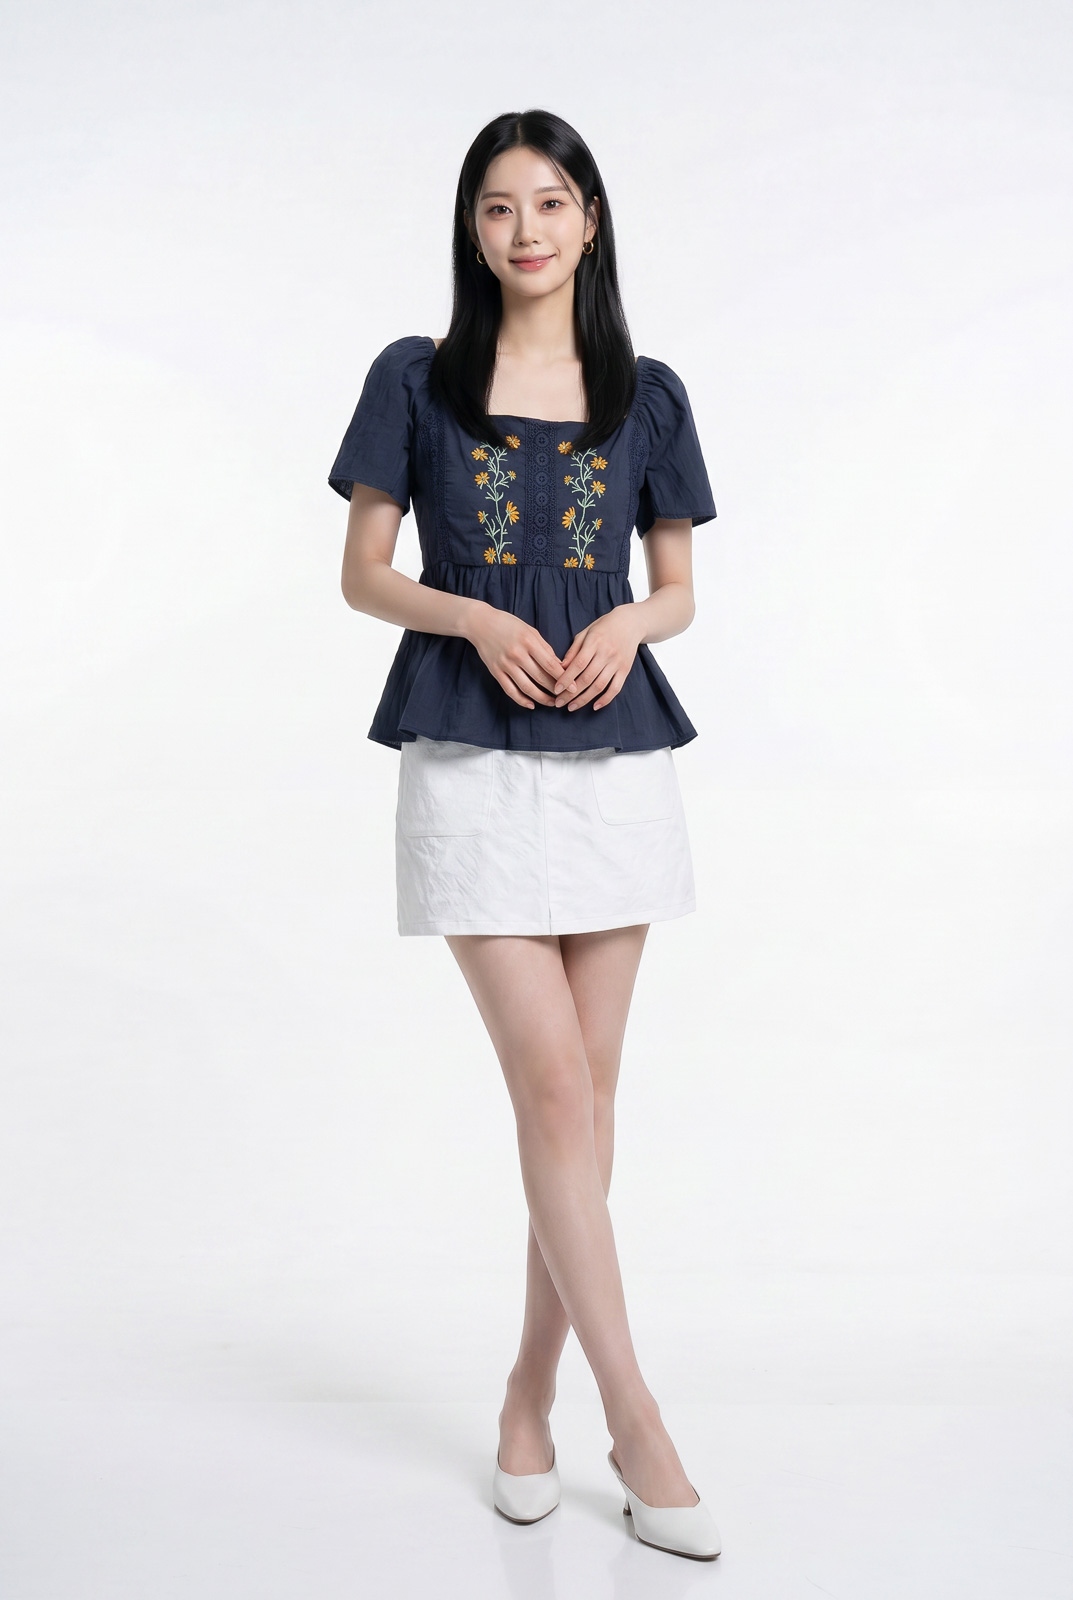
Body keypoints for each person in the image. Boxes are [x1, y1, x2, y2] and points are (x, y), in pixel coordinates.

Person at [327, 109, 721, 1561]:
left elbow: (676, 589)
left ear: (590, 219)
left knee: (589, 1107)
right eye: (497, 207)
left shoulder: (648, 392)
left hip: (614, 762)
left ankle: (525, 1397)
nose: (524, 229)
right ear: (471, 228)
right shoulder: (415, 377)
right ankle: (637, 1420)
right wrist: (475, 615)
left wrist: (628, 623)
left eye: (549, 202)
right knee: (552, 1091)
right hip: (469, 758)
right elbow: (363, 574)